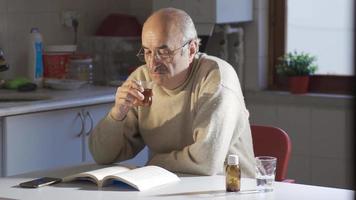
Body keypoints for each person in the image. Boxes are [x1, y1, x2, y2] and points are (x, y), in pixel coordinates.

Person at [89, 8, 255, 177]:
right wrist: (117, 114)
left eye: (164, 52)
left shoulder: (216, 78)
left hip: (230, 188)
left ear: (191, 50)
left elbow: (206, 162)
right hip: (171, 186)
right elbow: (102, 155)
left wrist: (155, 163)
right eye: (147, 51)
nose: (153, 63)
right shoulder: (142, 79)